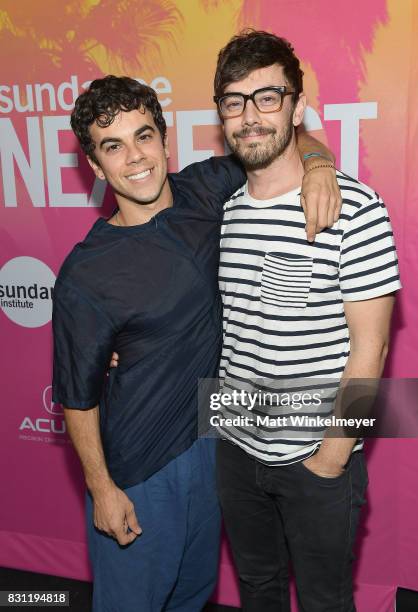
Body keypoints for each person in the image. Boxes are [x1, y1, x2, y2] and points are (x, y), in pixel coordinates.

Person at [51, 74, 339, 612]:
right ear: (95, 166)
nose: (134, 157)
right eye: (113, 146)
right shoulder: (85, 275)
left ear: (164, 140)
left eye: (143, 136)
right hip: (140, 471)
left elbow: (282, 141)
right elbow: (76, 395)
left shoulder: (205, 189)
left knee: (193, 597)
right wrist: (103, 489)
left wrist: (320, 167)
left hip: (213, 450)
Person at [212, 30, 401, 612]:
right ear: (220, 112)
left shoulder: (357, 208)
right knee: (259, 592)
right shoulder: (224, 209)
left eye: (268, 98)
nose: (251, 116)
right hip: (234, 447)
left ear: (296, 105)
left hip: (316, 458)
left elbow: (372, 352)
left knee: (324, 601)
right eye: (235, 101)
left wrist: (332, 457)